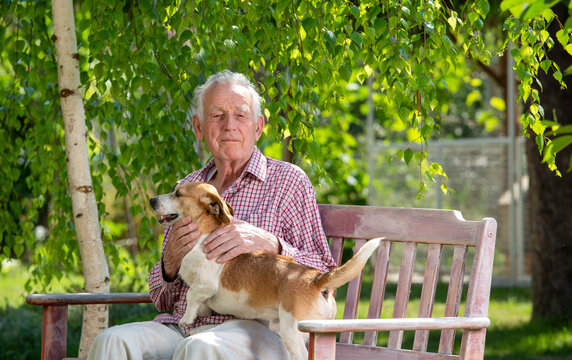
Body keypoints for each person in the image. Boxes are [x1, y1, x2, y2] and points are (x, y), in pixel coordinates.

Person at [87, 70, 337, 359]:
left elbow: (325, 275)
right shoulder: (185, 190)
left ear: (258, 127)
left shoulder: (288, 181)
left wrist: (274, 244)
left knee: (199, 349)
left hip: (255, 329)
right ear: (199, 127)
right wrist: (169, 263)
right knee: (112, 341)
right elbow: (161, 299)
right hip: (183, 325)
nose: (229, 125)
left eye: (240, 115)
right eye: (217, 116)